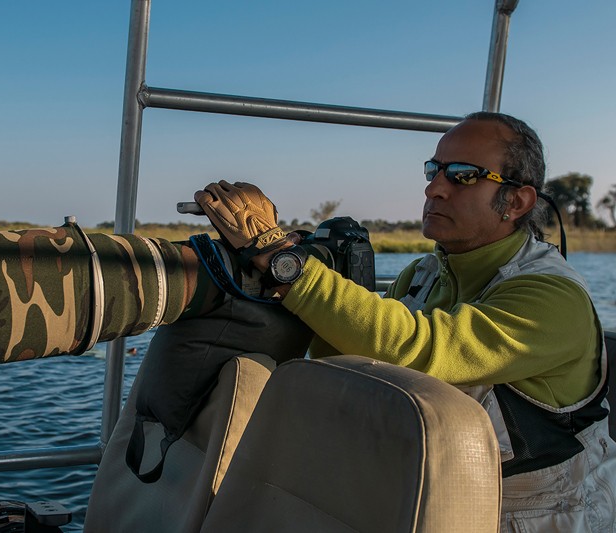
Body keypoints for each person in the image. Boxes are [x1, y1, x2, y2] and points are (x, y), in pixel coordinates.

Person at [193, 112, 616, 532]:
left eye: (464, 175)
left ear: (518, 201)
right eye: (434, 170)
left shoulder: (554, 298)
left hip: (539, 515)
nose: (435, 188)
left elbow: (420, 350)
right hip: (426, 492)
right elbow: (353, 358)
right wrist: (317, 282)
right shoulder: (424, 274)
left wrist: (282, 259)